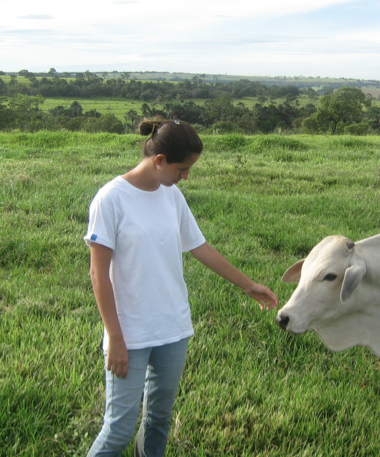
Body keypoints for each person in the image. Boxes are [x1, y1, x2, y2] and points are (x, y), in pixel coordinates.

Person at [84, 118, 278, 457]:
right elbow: (98, 275)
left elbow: (200, 247)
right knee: (119, 429)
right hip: (130, 333)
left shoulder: (171, 197)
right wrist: (115, 336)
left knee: (159, 420)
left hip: (173, 328)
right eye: (182, 168)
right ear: (160, 161)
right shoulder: (111, 199)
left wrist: (248, 285)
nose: (185, 177)